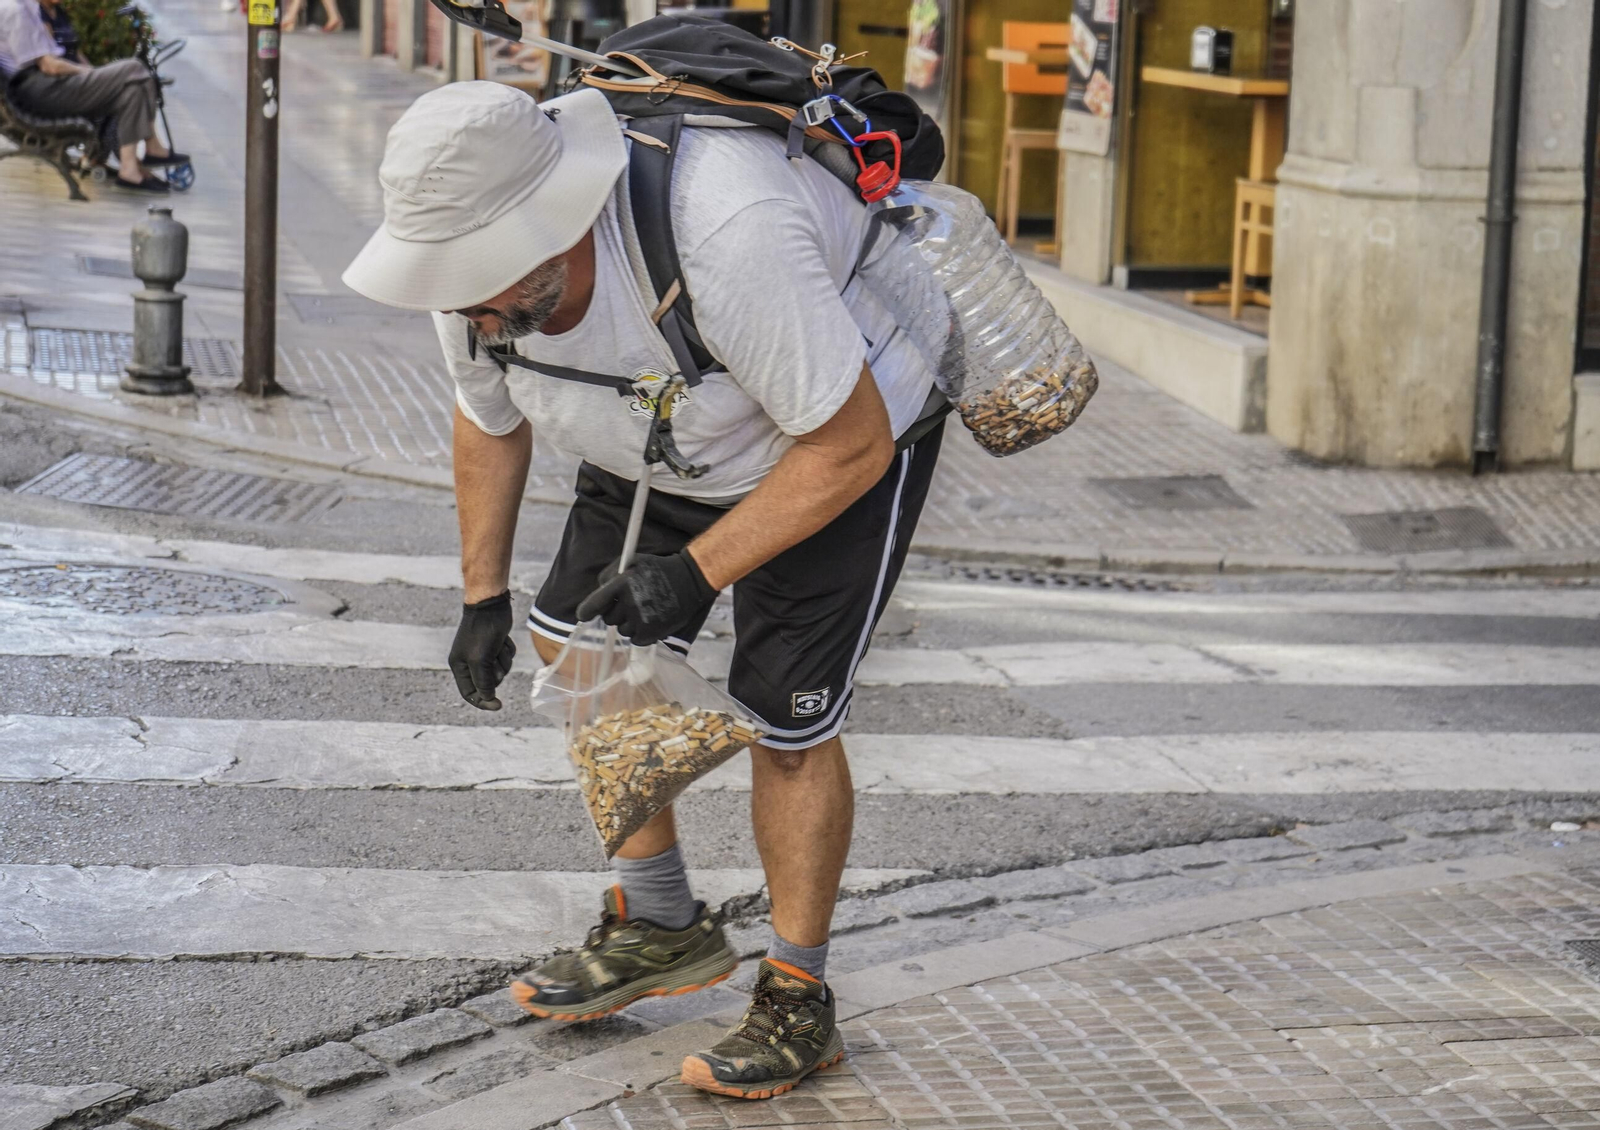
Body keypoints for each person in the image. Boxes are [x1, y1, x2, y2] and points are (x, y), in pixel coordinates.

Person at [343, 81, 943, 1101]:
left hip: (835, 426)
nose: (469, 307)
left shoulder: (725, 227)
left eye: (483, 281)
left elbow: (848, 444)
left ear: (559, 224)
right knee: (574, 645)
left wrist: (696, 571)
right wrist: (481, 592)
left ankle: (798, 992)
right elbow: (488, 415)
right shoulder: (475, 280)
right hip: (666, 422)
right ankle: (661, 918)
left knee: (783, 714)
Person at [0, 0, 185, 192]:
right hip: (40, 89)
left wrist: (91, 73)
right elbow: (50, 66)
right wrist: (89, 73)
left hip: (44, 86)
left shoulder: (26, 9)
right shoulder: (15, 10)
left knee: (133, 90)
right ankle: (153, 148)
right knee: (135, 67)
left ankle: (130, 170)